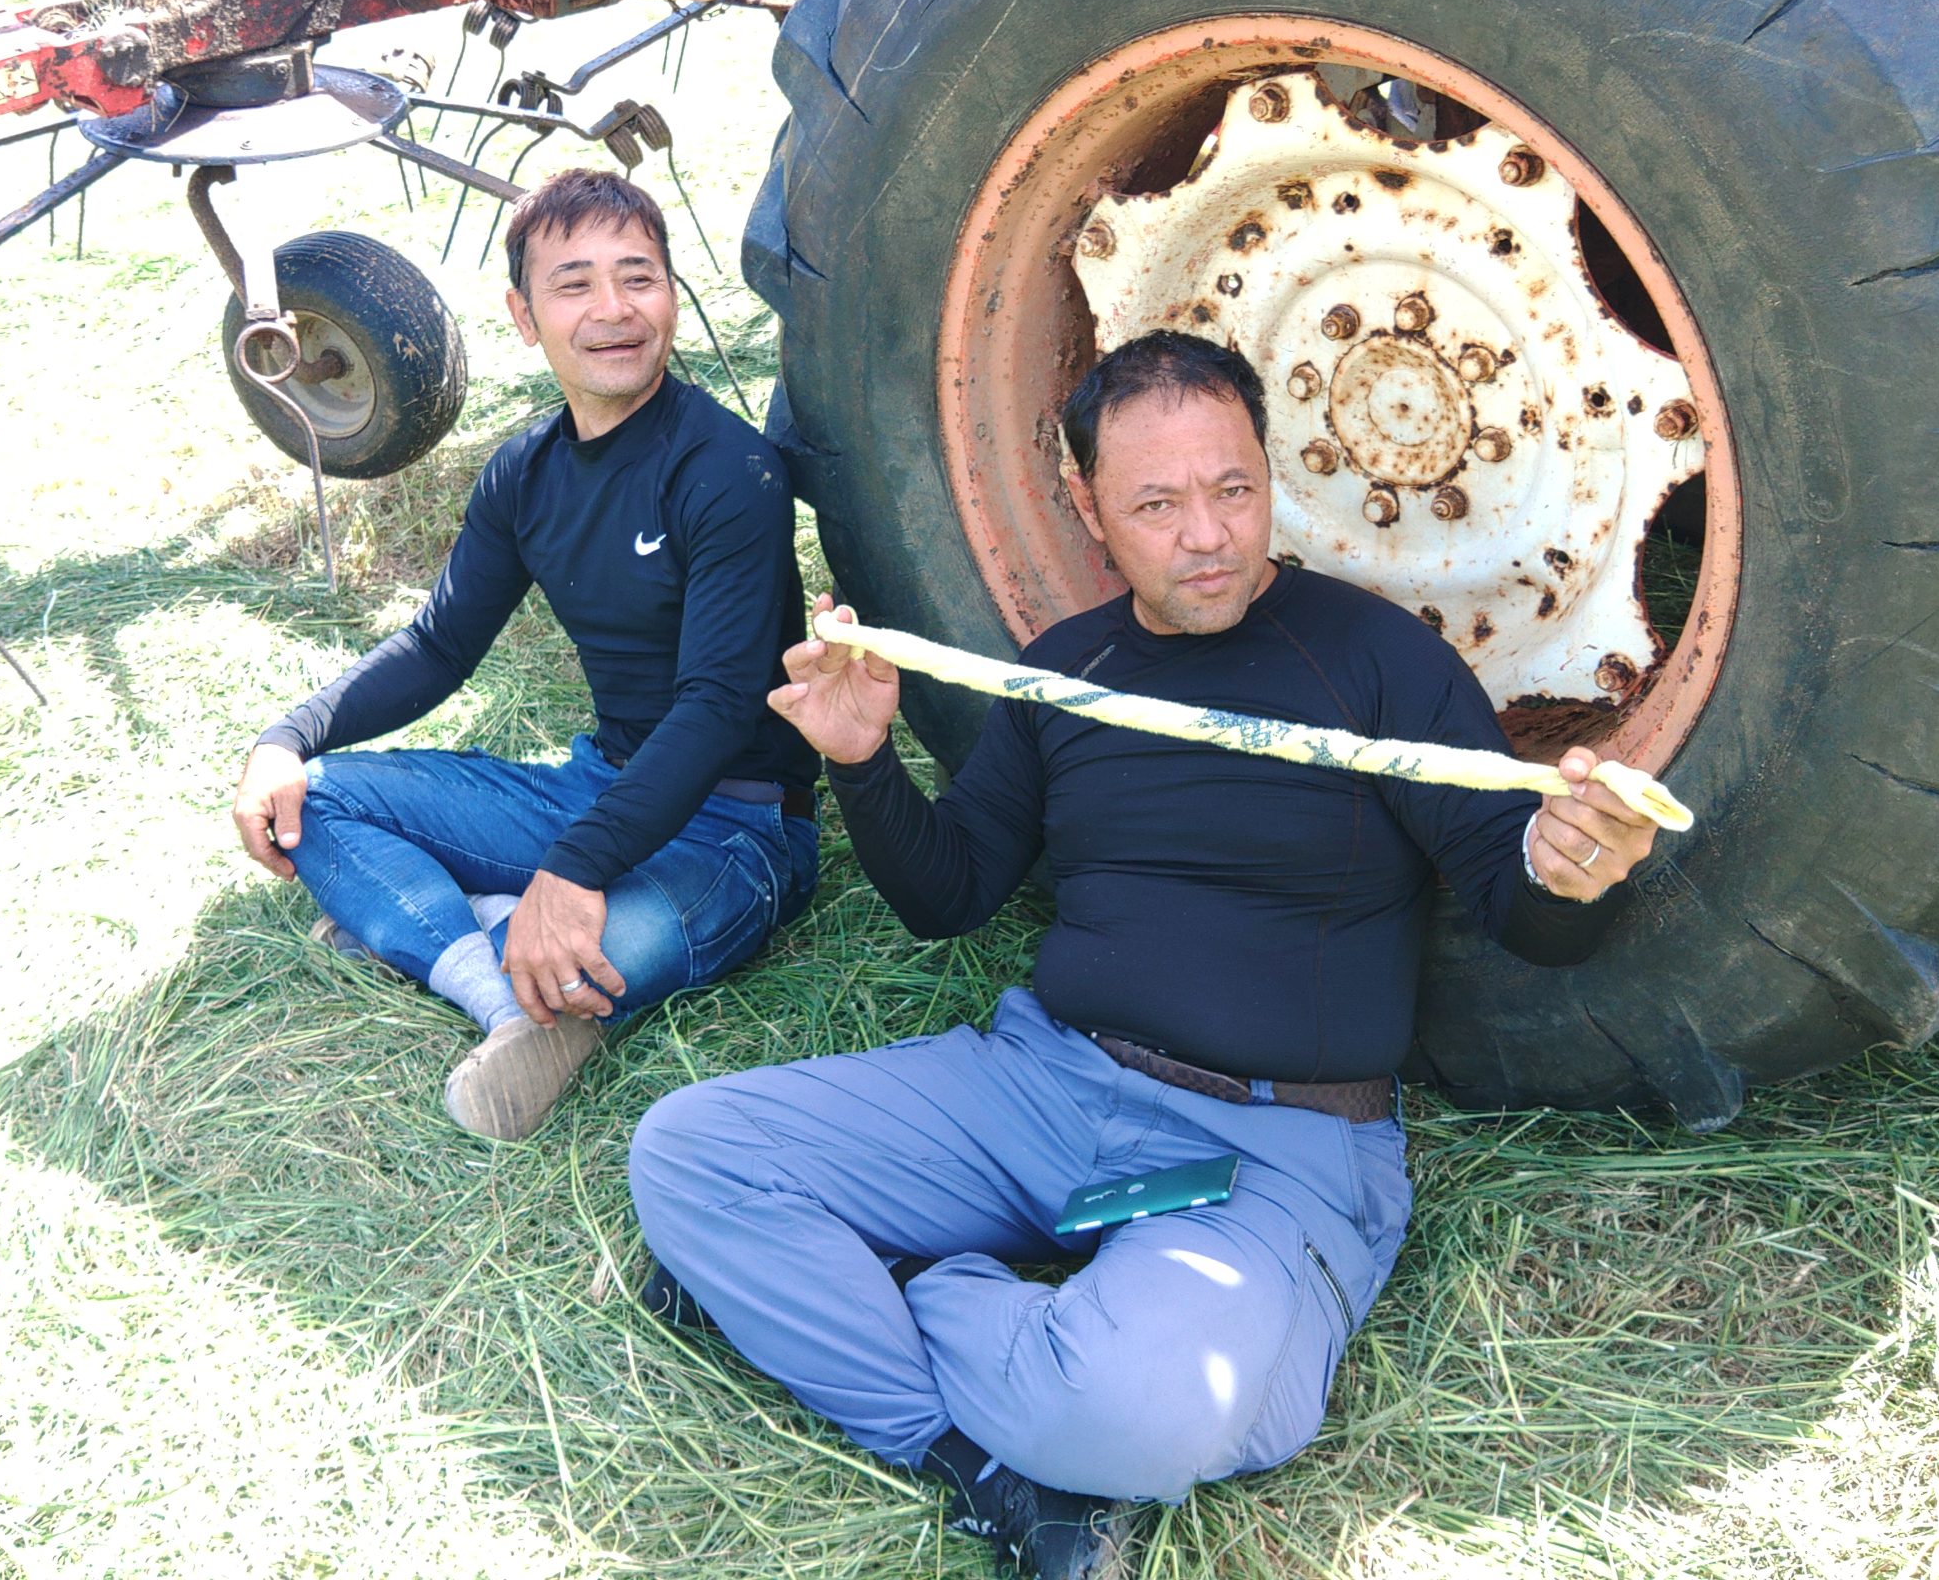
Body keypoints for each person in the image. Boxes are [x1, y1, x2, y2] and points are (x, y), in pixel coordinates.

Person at [627, 331, 1665, 1577]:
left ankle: (898, 1291)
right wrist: (860, 762)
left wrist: (1566, 872)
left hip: (1271, 1146)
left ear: (1269, 473)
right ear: (1088, 507)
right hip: (1045, 1086)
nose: (1208, 537)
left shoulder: (1377, 662)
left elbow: (1517, 902)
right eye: (1157, 505)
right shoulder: (1069, 675)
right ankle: (972, 1463)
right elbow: (949, 894)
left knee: (1146, 1411)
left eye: (1233, 489)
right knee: (690, 1154)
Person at [231, 169, 820, 1141]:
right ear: (523, 315)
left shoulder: (728, 469)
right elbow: (439, 646)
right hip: (594, 789)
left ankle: (447, 930)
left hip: (736, 830)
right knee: (316, 799)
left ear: (671, 294)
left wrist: (575, 869)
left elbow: (718, 707)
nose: (613, 309)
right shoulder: (524, 471)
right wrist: (286, 738)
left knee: (588, 958)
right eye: (574, 284)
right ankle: (496, 983)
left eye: (638, 277)